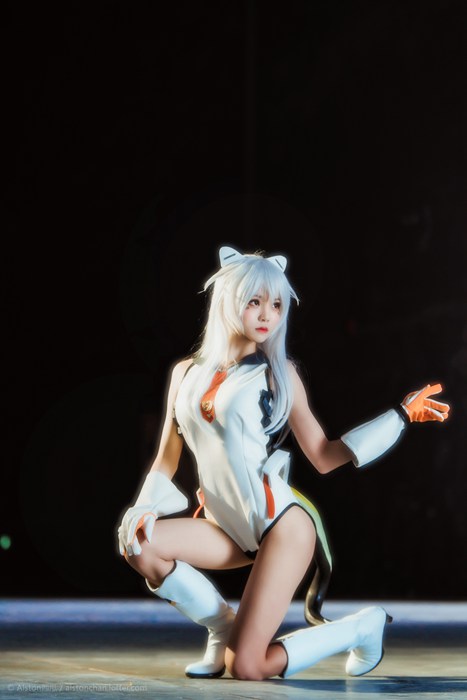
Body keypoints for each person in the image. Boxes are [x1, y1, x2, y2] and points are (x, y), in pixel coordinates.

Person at [117, 246, 450, 681]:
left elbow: (324, 455)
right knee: (139, 544)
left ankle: (361, 628)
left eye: (276, 304)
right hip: (226, 526)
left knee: (247, 666)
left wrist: (400, 416)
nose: (266, 315)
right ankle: (223, 628)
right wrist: (143, 508)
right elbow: (166, 457)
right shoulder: (186, 373)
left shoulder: (279, 374)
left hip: (281, 527)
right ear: (228, 301)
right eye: (254, 301)